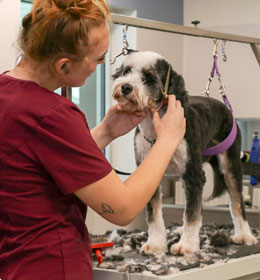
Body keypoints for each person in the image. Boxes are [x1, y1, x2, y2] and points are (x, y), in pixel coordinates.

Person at [0, 0, 186, 279]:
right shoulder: (55, 115)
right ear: (64, 65)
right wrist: (167, 140)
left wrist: (105, 132)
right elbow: (122, 209)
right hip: (51, 267)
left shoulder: (7, 92)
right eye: (99, 59)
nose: (99, 66)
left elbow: (39, 165)